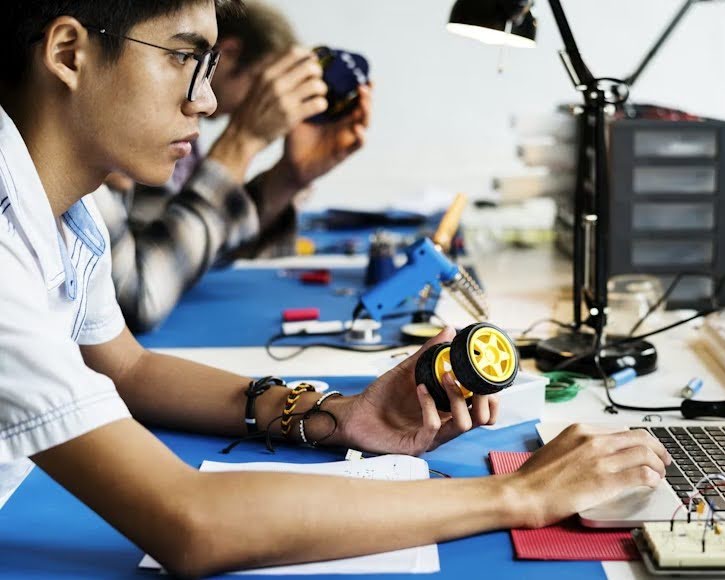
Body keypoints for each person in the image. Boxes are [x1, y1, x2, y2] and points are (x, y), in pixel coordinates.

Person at [0, 1, 670, 577]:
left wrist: (334, 415)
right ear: (68, 52)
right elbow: (189, 524)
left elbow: (126, 368)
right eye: (184, 56)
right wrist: (519, 497)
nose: (205, 100)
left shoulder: (69, 215)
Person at [94, 0, 371, 332]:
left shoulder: (171, 140)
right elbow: (140, 294)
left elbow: (184, 252)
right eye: (183, 56)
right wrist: (242, 141)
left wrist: (287, 178)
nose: (205, 101)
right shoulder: (107, 151)